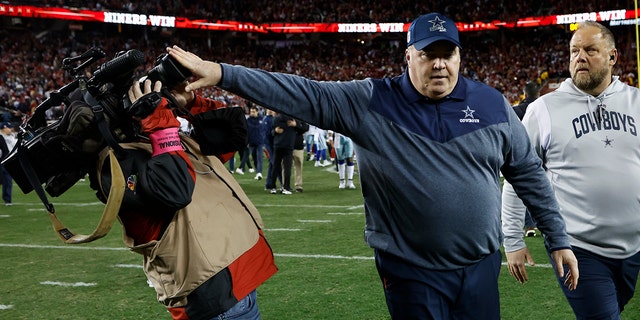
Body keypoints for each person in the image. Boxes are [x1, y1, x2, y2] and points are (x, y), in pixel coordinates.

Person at [166, 12, 578, 319]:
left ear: (459, 56)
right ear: (408, 57)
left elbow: (526, 170)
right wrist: (222, 73)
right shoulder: (370, 101)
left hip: (480, 267)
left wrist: (557, 236)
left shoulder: (491, 103)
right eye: (427, 54)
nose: (439, 64)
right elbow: (300, 92)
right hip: (412, 272)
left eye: (447, 54)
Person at [88, 79, 277, 319]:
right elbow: (176, 190)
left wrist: (188, 101)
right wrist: (158, 124)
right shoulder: (117, 165)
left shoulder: (156, 142)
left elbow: (232, 133)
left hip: (233, 280)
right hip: (214, 294)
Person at [502, 21, 640, 319]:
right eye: (574, 51)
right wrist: (512, 239)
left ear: (613, 57)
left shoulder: (636, 103)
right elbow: (517, 177)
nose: (580, 57)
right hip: (576, 247)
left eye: (590, 50)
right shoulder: (544, 109)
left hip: (632, 248)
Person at [512, 81, 541, 237]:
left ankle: (527, 226)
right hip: (543, 154)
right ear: (538, 94)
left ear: (524, 94)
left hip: (520, 154)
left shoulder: (516, 110)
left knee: (520, 191)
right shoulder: (544, 109)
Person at [267, 113, 298, 195]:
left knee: (276, 166)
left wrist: (275, 131)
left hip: (278, 145)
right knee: (287, 167)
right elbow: (304, 128)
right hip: (288, 145)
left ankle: (273, 186)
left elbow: (272, 131)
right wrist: (296, 124)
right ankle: (285, 187)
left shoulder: (277, 118)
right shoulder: (293, 118)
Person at [241, 105, 266, 180]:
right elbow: (246, 132)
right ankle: (257, 172)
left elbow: (264, 130)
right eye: (251, 111)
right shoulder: (248, 120)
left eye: (253, 112)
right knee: (254, 158)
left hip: (259, 142)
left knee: (259, 158)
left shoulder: (262, 119)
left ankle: (259, 172)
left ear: (257, 112)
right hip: (251, 142)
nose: (252, 113)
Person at [1, 123, 16, 206]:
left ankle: (7, 200)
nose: (11, 129)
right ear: (4, 128)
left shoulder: (12, 137)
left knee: (8, 181)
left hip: (8, 162)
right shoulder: (1, 137)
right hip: (2, 160)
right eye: (9, 128)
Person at [292, 119, 309, 192]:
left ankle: (298, 185)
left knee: (298, 165)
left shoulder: (300, 117)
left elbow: (306, 128)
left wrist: (296, 125)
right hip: (287, 144)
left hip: (298, 144)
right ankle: (284, 185)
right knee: (285, 166)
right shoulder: (285, 116)